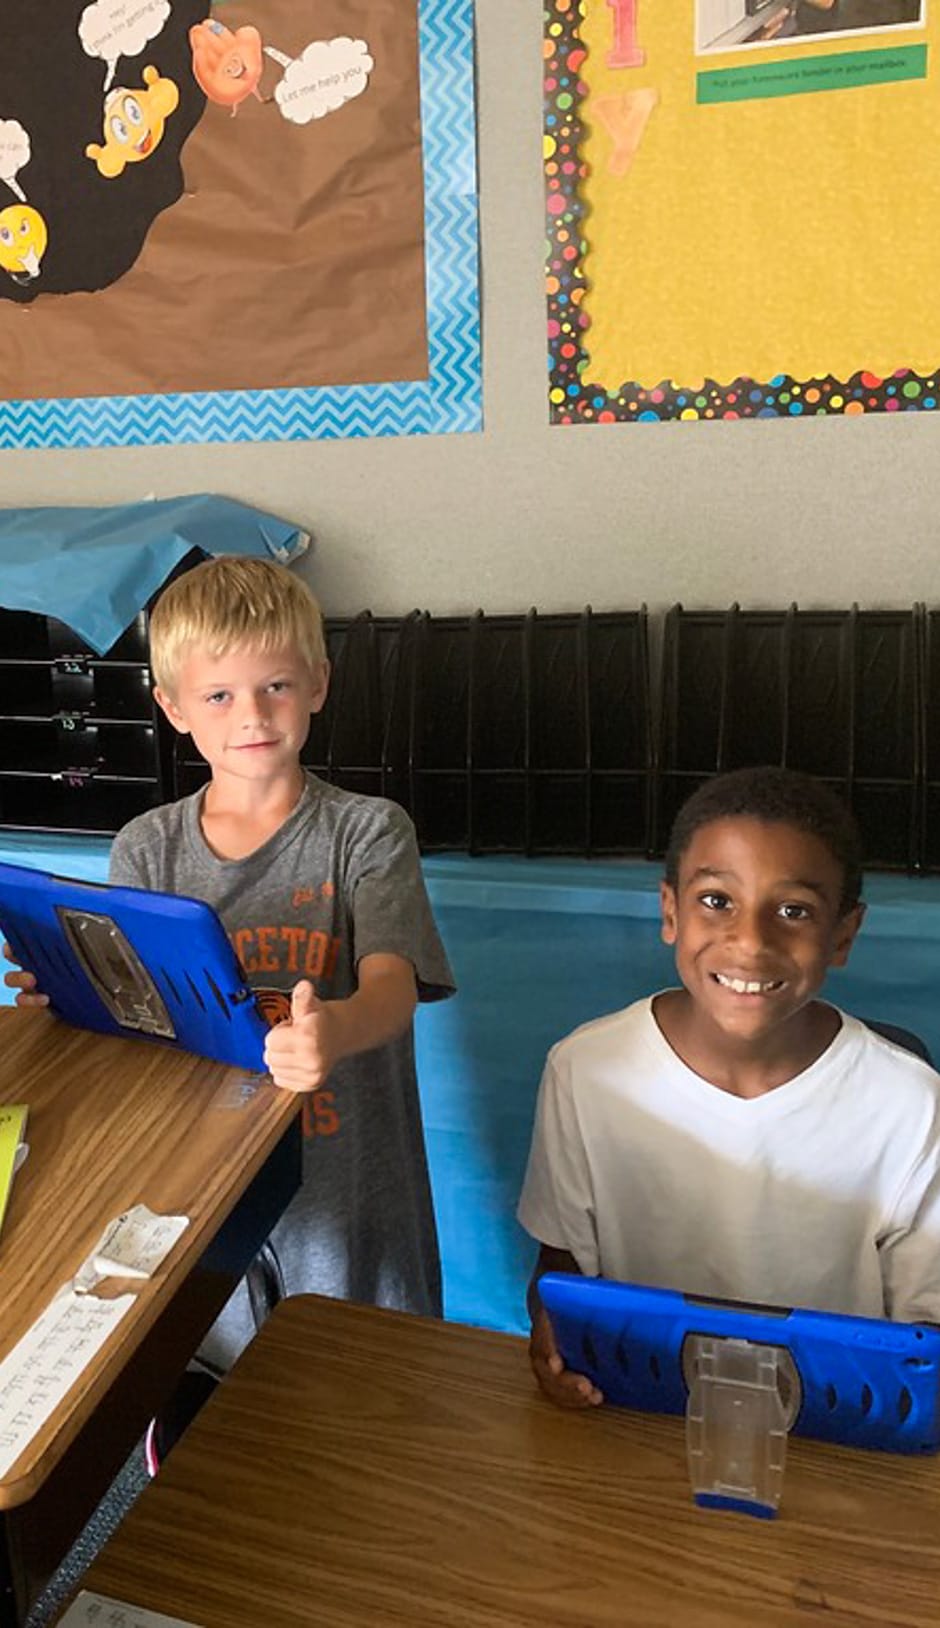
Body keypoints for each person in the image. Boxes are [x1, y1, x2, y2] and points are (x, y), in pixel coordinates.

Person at [6, 555, 455, 1375]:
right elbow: (134, 1021)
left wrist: (336, 1028)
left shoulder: (367, 832)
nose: (252, 714)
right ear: (173, 708)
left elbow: (394, 987)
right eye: (219, 695)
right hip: (202, 1175)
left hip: (347, 1179)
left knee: (368, 1383)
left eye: (275, 686)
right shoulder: (147, 846)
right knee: (217, 1395)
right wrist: (68, 992)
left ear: (318, 683)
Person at [518, 765, 940, 1409]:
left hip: (840, 1434)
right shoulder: (586, 1071)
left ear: (843, 936)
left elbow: (924, 1335)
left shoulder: (911, 1103)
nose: (750, 941)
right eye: (717, 900)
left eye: (794, 911)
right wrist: (550, 1333)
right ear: (670, 912)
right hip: (640, 1412)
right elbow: (562, 1268)